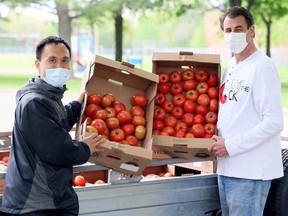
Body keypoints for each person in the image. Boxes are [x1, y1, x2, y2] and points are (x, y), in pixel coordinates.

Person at [0, 36, 104, 215]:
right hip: (36, 203)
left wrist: (75, 108)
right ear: (38, 64)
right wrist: (85, 148)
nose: (59, 66)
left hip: (43, 199)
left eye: (64, 61)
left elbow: (52, 125)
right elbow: (56, 148)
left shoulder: (47, 96)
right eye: (52, 60)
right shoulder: (34, 102)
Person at [208, 6, 284, 216]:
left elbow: (274, 122)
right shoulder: (231, 65)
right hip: (227, 169)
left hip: (250, 174)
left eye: (239, 28)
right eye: (228, 30)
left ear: (252, 31)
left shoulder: (262, 67)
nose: (233, 35)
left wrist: (230, 146)